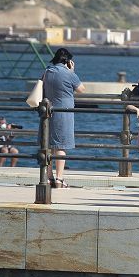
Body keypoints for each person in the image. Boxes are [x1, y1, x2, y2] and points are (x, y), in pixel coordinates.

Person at [41, 48, 84, 188]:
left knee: (48, 145)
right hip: (64, 112)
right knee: (61, 145)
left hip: (47, 112)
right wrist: (72, 72)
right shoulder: (69, 74)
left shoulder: (47, 71)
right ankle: (59, 179)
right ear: (68, 61)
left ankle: (48, 177)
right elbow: (81, 89)